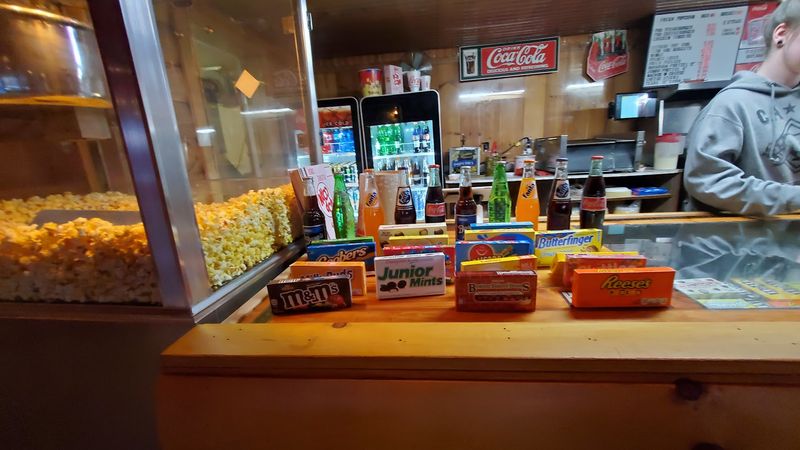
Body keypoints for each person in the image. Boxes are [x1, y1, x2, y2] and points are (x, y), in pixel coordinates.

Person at [684, 0, 800, 216]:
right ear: (781, 34)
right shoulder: (732, 104)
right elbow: (707, 181)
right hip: (740, 244)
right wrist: (793, 198)